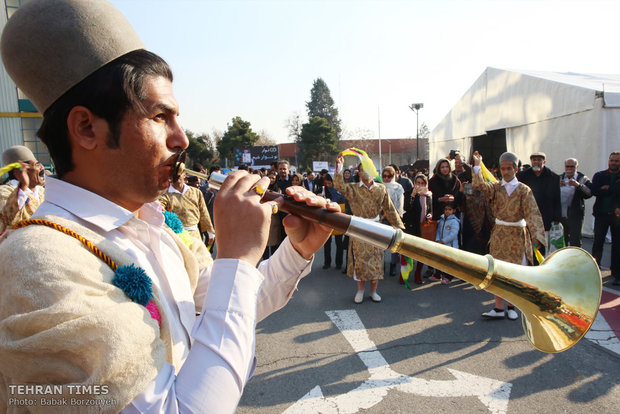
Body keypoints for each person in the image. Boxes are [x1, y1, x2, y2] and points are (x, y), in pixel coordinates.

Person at [0, 1, 338, 412]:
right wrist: (236, 255)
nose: (182, 140)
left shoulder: (156, 223)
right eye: (161, 117)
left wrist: (297, 248)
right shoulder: (37, 261)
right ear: (87, 127)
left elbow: (230, 306)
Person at [472, 151, 546, 320]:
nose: (506, 172)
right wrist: (477, 165)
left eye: (509, 168)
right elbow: (479, 186)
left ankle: (512, 306)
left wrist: (536, 236)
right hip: (499, 234)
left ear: (516, 169)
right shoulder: (496, 187)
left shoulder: (523, 190)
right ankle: (498, 307)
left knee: (515, 273)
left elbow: (533, 214)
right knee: (498, 272)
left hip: (517, 236)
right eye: (503, 168)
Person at [335, 153, 404, 304]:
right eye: (362, 169)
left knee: (376, 262)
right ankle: (360, 290)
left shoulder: (381, 189)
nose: (365, 172)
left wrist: (398, 226)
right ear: (358, 173)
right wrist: (339, 167)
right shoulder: (352, 188)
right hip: (359, 227)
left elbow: (389, 209)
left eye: (368, 168)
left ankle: (373, 291)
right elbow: (338, 186)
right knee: (360, 261)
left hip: (376, 227)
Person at [516, 152, 561, 254]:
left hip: (544, 217)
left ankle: (540, 265)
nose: (536, 162)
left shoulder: (553, 177)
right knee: (525, 243)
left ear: (544, 162)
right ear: (531, 162)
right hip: (526, 215)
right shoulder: (521, 176)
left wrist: (557, 218)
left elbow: (557, 198)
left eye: (539, 160)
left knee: (540, 244)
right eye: (534, 160)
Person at [159, 170, 215, 245]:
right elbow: (159, 209)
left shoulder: (196, 192)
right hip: (175, 236)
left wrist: (210, 231)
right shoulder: (164, 195)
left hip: (194, 234)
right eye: (174, 175)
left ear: (185, 175)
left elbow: (203, 212)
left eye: (179, 174)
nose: (177, 177)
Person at [427, 158, 461, 278]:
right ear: (438, 168)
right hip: (437, 215)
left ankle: (449, 271)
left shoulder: (455, 179)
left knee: (450, 242)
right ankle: (434, 269)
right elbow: (429, 198)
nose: (445, 169)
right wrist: (439, 199)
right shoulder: (433, 181)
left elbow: (459, 195)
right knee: (436, 243)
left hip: (451, 215)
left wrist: (453, 199)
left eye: (447, 166)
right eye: (442, 167)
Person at [0, 145, 45, 234]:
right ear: (19, 172)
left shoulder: (42, 191)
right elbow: (8, 220)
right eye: (36, 164)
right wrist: (24, 186)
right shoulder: (4, 193)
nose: (42, 168)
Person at [591, 152, 620, 285]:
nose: (614, 163)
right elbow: (594, 191)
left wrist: (608, 189)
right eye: (612, 160)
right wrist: (612, 189)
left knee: (617, 245)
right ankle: (594, 270)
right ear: (608, 161)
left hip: (617, 216)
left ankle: (616, 273)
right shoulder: (599, 175)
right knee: (598, 242)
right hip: (601, 214)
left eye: (617, 161)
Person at [403, 173, 433, 284]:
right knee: (407, 252)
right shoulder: (409, 193)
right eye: (418, 183)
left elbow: (430, 209)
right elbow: (406, 208)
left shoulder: (428, 195)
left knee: (421, 253)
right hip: (411, 226)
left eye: (422, 183)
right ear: (414, 183)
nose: (420, 185)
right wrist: (413, 195)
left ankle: (417, 274)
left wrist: (430, 214)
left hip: (423, 227)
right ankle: (404, 275)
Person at [559, 158, 592, 247]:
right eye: (567, 166)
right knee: (561, 240)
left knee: (575, 240)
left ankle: (575, 259)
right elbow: (551, 194)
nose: (569, 169)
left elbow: (589, 193)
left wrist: (578, 186)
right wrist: (557, 187)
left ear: (576, 167)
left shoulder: (583, 178)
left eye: (572, 167)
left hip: (575, 215)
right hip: (561, 215)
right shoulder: (559, 177)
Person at [381, 166, 404, 276]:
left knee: (394, 243)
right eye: (384, 176)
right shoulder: (379, 187)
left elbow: (400, 204)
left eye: (389, 176)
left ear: (393, 176)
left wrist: (395, 217)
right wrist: (382, 214)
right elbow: (376, 203)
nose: (386, 178)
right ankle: (382, 265)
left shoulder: (398, 187)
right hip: (382, 218)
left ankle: (393, 265)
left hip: (394, 219)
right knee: (381, 242)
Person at [321, 174, 346, 269]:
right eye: (326, 183)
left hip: (338, 218)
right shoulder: (324, 189)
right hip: (327, 218)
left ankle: (339, 263)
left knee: (339, 243)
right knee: (327, 243)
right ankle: (327, 263)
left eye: (330, 183)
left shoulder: (340, 189)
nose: (328, 185)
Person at [433, 203, 460, 284]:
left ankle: (448, 277)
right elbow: (438, 231)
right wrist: (438, 240)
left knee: (449, 262)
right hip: (441, 244)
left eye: (450, 209)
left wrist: (443, 241)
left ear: (454, 211)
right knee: (439, 260)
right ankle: (438, 275)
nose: (447, 211)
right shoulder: (441, 220)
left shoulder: (454, 221)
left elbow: (453, 234)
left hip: (450, 246)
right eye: (446, 209)